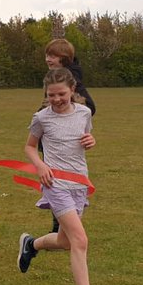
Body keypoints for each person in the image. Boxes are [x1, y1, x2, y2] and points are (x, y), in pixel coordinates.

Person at [17, 67, 114, 285]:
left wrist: (90, 141)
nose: (57, 99)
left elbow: (85, 138)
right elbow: (29, 147)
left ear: (72, 90)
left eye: (61, 94)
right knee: (80, 240)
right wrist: (40, 165)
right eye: (51, 95)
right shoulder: (41, 118)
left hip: (79, 183)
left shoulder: (83, 113)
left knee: (67, 241)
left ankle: (31, 244)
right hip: (54, 183)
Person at [41, 38, 94, 234]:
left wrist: (70, 122)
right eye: (47, 55)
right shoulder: (54, 77)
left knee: (59, 180)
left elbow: (90, 106)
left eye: (52, 55)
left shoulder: (71, 78)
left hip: (66, 146)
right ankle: (60, 225)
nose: (48, 59)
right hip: (52, 141)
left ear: (63, 58)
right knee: (54, 182)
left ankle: (58, 228)